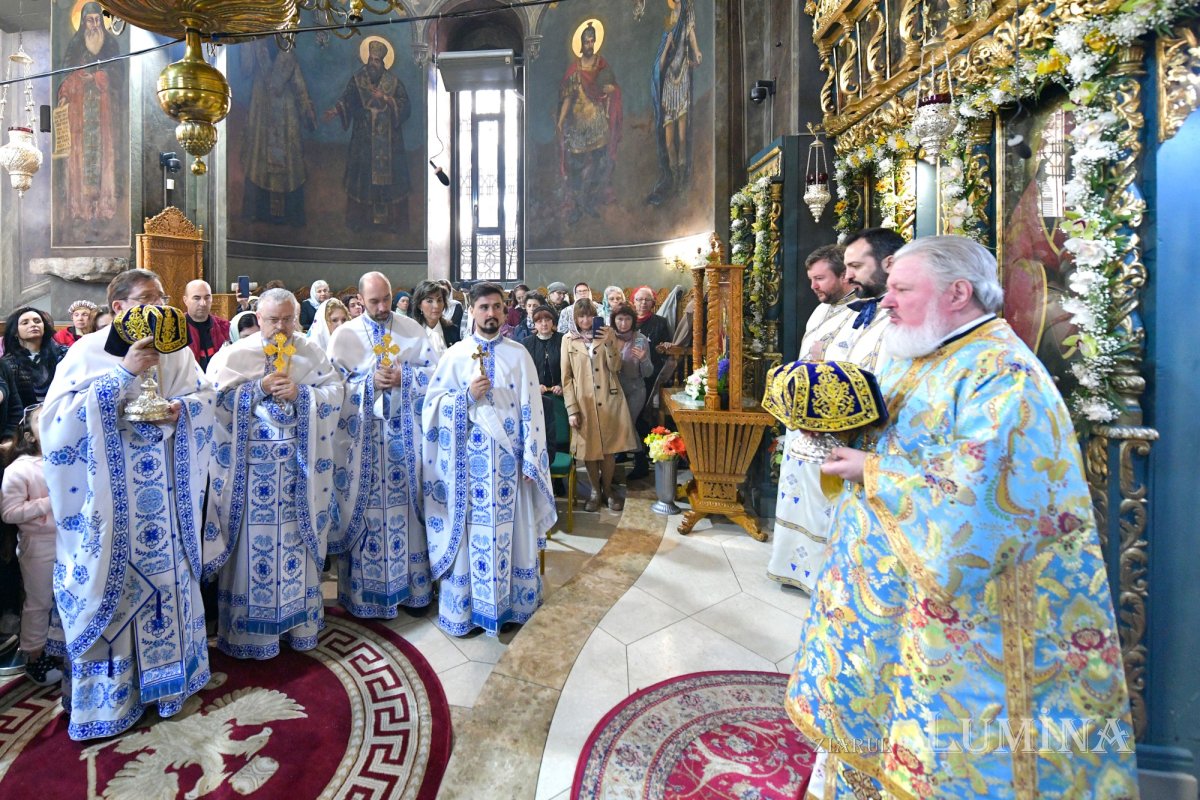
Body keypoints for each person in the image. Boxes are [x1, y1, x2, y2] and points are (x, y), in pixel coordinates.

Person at [787, 236, 1138, 798]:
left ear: (957, 292)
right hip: (895, 589)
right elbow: (897, 436)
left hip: (969, 618)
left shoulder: (1003, 375)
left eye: (902, 288)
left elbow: (986, 496)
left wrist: (873, 472)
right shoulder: (924, 347)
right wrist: (837, 427)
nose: (886, 301)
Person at [41, 268, 215, 740]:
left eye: (161, 298)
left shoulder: (175, 349)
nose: (158, 307)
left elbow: (205, 396)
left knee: (168, 585)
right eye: (146, 299)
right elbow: (55, 425)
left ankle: (168, 683)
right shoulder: (86, 352)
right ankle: (114, 701)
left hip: (166, 499)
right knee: (116, 595)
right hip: (110, 511)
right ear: (117, 308)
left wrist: (186, 410)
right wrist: (122, 375)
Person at [204, 289, 344, 659]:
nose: (280, 327)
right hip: (252, 481)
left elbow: (335, 392)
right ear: (258, 317)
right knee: (255, 553)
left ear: (296, 318)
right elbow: (212, 401)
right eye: (272, 320)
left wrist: (303, 395)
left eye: (287, 319)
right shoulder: (237, 354)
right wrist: (256, 389)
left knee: (297, 545)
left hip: (300, 475)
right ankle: (252, 634)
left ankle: (299, 625)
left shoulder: (310, 351)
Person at [422, 282, 556, 636]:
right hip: (469, 470)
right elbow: (431, 408)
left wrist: (533, 457)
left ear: (504, 309)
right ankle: (469, 610)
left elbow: (533, 409)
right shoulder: (455, 355)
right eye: (483, 307)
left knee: (514, 536)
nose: (491, 314)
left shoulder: (518, 354)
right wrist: (464, 397)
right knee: (472, 538)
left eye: (497, 307)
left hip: (512, 470)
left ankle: (512, 606)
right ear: (472, 311)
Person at [327, 272, 438, 618]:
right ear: (359, 300)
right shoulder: (345, 335)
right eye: (373, 301)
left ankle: (414, 589)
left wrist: (407, 377)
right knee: (368, 515)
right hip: (362, 446)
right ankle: (366, 597)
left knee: (409, 513)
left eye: (386, 299)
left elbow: (436, 377)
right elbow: (332, 387)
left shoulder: (412, 330)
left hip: (406, 444)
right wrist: (367, 383)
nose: (381, 307)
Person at [767, 244, 866, 591]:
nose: (813, 286)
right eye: (811, 279)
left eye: (820, 278)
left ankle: (822, 578)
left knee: (823, 503)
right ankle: (793, 569)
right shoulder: (820, 312)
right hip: (802, 426)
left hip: (831, 430)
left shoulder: (866, 315)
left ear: (844, 275)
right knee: (799, 497)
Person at [0, 405, 63, 686]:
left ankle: (57, 649)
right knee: (38, 602)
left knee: (63, 599)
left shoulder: (64, 459)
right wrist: (50, 503)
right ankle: (34, 656)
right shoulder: (19, 469)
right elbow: (10, 512)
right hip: (38, 543)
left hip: (68, 540)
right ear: (31, 435)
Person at [323, 39, 411, 229]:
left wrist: (386, 98)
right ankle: (360, 221)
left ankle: (388, 222)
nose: (372, 64)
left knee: (389, 181)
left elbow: (405, 106)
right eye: (370, 59)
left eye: (376, 61)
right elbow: (347, 99)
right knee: (362, 178)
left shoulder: (393, 83)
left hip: (388, 142)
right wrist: (336, 110)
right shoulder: (358, 79)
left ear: (383, 64)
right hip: (363, 141)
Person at [562, 298, 639, 512]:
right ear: (575, 318)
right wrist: (572, 409)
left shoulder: (607, 334)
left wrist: (609, 343)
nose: (585, 320)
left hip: (609, 399)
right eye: (581, 316)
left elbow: (616, 367)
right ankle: (595, 491)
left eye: (589, 315)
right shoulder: (568, 340)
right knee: (589, 450)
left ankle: (608, 490)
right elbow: (566, 378)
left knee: (608, 450)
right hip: (583, 402)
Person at [57, 1, 123, 224]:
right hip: (80, 112)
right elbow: (65, 74)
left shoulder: (111, 44)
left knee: (102, 155)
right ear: (83, 21)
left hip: (103, 110)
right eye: (90, 20)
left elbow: (118, 75)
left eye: (97, 20)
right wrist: (66, 91)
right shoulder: (75, 45)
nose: (94, 24)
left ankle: (102, 208)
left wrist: (96, 77)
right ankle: (81, 209)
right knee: (80, 157)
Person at [241, 39, 316, 226]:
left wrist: (307, 110)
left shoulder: (288, 53)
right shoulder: (257, 47)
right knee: (259, 160)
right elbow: (246, 69)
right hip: (262, 113)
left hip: (285, 114)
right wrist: (246, 43)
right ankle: (258, 211)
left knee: (290, 162)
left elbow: (299, 85)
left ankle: (291, 214)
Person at [558, 22, 622, 223]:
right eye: (587, 41)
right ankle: (577, 205)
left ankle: (590, 201)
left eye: (592, 40)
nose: (590, 44)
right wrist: (560, 121)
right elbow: (567, 97)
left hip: (596, 123)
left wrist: (611, 89)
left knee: (600, 163)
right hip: (578, 127)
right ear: (581, 43)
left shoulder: (601, 66)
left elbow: (610, 88)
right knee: (576, 167)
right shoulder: (574, 70)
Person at [647, 0, 702, 204]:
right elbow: (658, 67)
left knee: (682, 137)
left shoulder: (686, 16)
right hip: (669, 85)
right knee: (669, 141)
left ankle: (682, 180)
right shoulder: (667, 32)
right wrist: (667, 44)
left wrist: (696, 52)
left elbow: (690, 33)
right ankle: (673, 177)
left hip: (682, 82)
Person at [629, 287, 671, 478]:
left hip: (650, 374)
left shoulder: (660, 323)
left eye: (647, 300)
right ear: (633, 301)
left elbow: (666, 345)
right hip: (627, 376)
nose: (643, 303)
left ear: (653, 303)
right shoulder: (627, 321)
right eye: (639, 299)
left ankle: (645, 455)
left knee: (644, 417)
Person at [1, 308, 66, 408]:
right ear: (15, 332)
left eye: (37, 321)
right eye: (25, 323)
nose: (33, 325)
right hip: (25, 419)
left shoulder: (64, 354)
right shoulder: (7, 363)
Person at [610, 303, 654, 451]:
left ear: (633, 320)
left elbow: (648, 373)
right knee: (616, 424)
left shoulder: (640, 339)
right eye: (620, 319)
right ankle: (622, 452)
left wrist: (643, 359)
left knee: (627, 423)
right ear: (613, 320)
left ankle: (640, 458)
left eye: (627, 319)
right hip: (614, 389)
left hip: (635, 389)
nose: (623, 323)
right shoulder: (608, 337)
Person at [183, 279, 231, 372]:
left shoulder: (224, 327)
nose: (203, 303)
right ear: (185, 300)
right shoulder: (176, 330)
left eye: (207, 297)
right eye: (197, 298)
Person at [409, 280, 460, 357]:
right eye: (429, 301)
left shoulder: (452, 330)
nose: (436, 306)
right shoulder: (411, 333)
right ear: (419, 305)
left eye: (439, 300)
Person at [523, 304, 564, 397]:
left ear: (552, 322)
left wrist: (562, 385)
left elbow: (570, 367)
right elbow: (523, 371)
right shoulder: (526, 343)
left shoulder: (563, 339)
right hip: (535, 393)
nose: (544, 324)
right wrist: (534, 386)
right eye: (539, 321)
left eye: (547, 320)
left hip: (561, 392)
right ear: (534, 324)